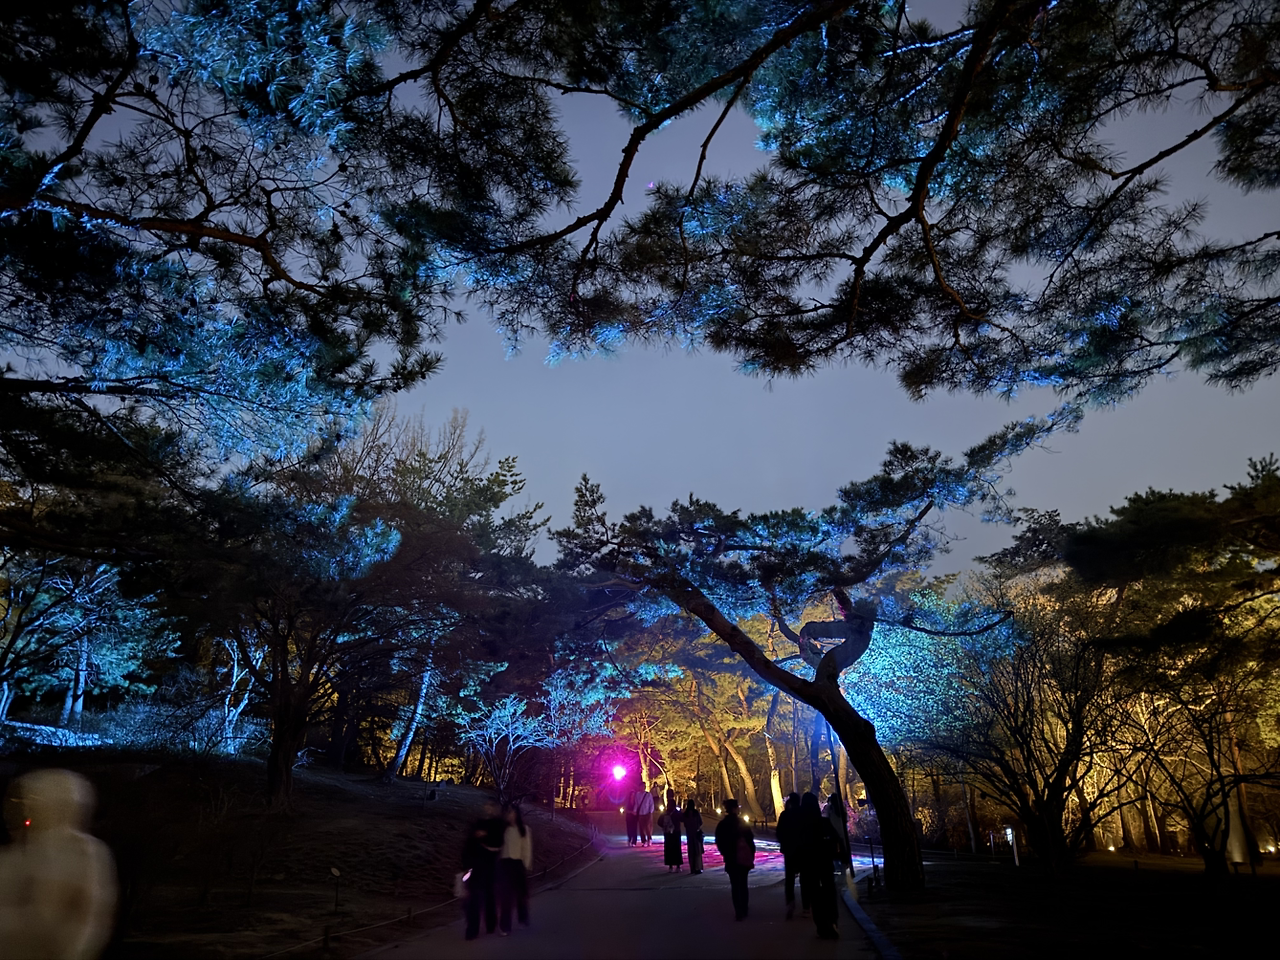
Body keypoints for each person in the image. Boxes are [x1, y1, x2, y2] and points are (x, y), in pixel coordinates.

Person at [0, 769, 117, 960]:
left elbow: (89, 923)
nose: (28, 807)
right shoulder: (15, 855)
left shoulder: (85, 853)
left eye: (36, 800)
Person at [798, 792, 840, 940]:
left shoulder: (801, 826)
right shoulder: (824, 823)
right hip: (825, 862)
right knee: (829, 890)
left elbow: (798, 846)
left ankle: (821, 926)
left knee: (815, 895)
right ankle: (832, 920)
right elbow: (836, 839)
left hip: (809, 864)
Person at [461, 801, 504, 940]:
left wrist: (485, 837)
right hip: (475, 866)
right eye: (487, 806)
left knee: (489, 897)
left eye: (491, 806)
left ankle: (490, 923)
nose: (488, 808)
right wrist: (465, 864)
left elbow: (498, 844)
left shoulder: (498, 825)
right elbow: (468, 844)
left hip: (490, 866)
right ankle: (472, 929)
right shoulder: (477, 824)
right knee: (474, 898)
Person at [713, 798, 754, 920]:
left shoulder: (722, 825)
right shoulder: (742, 823)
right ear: (735, 809)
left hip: (730, 858)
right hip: (743, 857)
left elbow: (719, 841)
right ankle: (744, 908)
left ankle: (738, 910)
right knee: (743, 884)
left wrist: (725, 853)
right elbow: (750, 840)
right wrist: (751, 854)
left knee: (735, 885)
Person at [497, 804, 532, 935]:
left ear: (516, 814)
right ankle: (505, 926)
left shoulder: (523, 829)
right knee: (506, 897)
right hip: (505, 864)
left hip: (518, 864)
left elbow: (526, 848)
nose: (509, 815)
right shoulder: (503, 829)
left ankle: (523, 917)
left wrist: (525, 865)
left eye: (511, 812)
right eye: (508, 812)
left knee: (520, 895)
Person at [776, 792, 807, 919]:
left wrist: (784, 844)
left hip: (789, 850)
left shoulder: (785, 815)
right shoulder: (804, 815)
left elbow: (779, 832)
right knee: (805, 879)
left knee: (789, 879)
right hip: (803, 850)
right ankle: (806, 906)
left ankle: (790, 903)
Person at [827, 793, 852, 874]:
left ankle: (836, 865)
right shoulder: (842, 808)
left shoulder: (829, 808)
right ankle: (845, 864)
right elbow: (846, 819)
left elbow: (826, 818)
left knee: (834, 848)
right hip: (842, 830)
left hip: (833, 831)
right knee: (843, 847)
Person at [659, 789, 683, 871]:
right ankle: (678, 866)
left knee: (669, 849)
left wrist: (665, 826)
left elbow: (659, 821)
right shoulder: (676, 812)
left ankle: (670, 866)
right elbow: (682, 819)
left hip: (668, 833)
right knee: (677, 849)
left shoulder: (665, 812)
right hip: (676, 832)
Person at [684, 799, 705, 874]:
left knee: (691, 852)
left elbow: (685, 823)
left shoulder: (686, 814)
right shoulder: (696, 813)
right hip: (696, 834)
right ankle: (698, 867)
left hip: (689, 834)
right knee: (697, 851)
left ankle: (692, 868)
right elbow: (701, 822)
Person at [624, 780, 640, 846]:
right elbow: (625, 809)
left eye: (633, 795)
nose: (632, 796)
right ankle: (629, 839)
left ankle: (634, 841)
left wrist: (636, 813)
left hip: (634, 817)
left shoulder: (636, 801)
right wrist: (631, 812)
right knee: (629, 829)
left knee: (634, 829)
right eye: (632, 795)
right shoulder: (627, 802)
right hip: (629, 817)